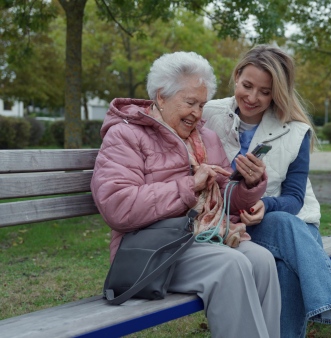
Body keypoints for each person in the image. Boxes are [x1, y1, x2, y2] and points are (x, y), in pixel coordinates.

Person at [203, 45, 331, 338]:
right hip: (224, 226)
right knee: (285, 255)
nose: (253, 97)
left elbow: (294, 199)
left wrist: (265, 206)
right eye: (247, 86)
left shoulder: (295, 131)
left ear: (277, 93)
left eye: (265, 91)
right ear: (236, 76)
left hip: (285, 226)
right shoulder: (209, 114)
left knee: (284, 243)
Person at [90, 51, 280, 338]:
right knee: (231, 264)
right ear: (161, 97)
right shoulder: (125, 136)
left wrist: (249, 185)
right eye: (190, 103)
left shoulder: (206, 138)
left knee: (262, 260)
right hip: (150, 251)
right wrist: (189, 186)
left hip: (201, 238)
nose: (197, 113)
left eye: (202, 105)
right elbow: (118, 207)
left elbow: (225, 199)